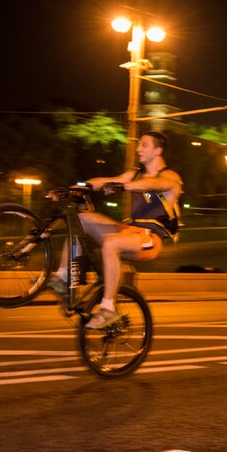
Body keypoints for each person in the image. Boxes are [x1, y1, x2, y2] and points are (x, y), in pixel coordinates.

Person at [47, 131, 183, 329]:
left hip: (150, 239)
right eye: (139, 145)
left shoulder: (170, 177)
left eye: (144, 145)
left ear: (158, 150)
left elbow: (155, 184)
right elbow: (103, 181)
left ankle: (109, 309)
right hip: (128, 230)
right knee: (81, 219)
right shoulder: (134, 175)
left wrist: (126, 186)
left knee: (111, 242)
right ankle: (62, 276)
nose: (138, 149)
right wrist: (74, 188)